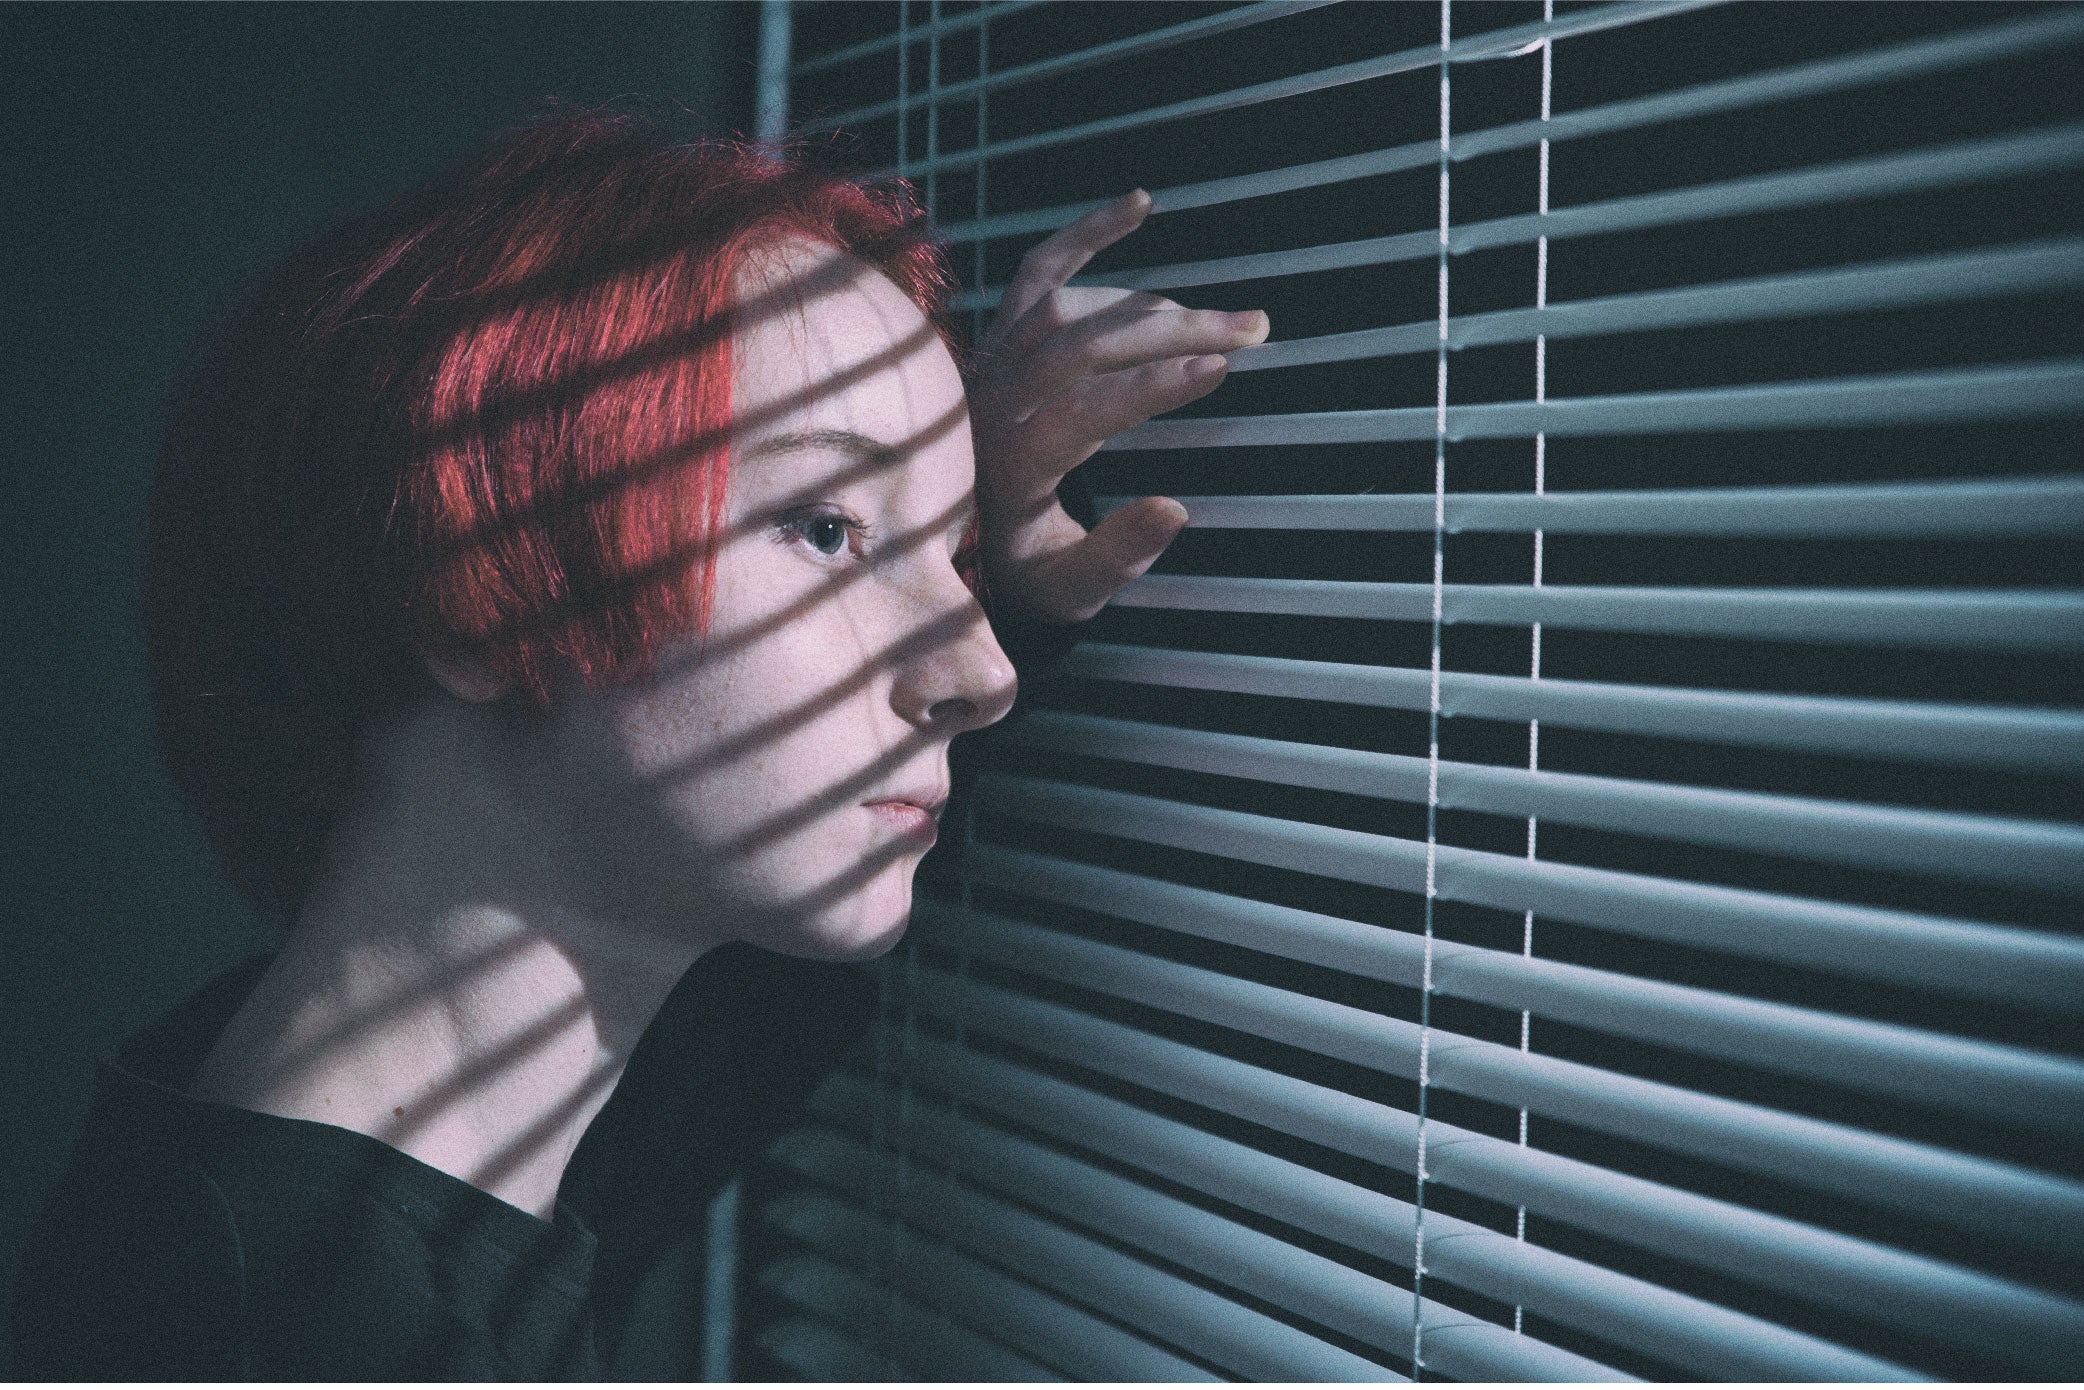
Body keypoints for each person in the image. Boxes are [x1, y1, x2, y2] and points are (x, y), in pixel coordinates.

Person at [9, 109, 1267, 1377]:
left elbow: (749, 1037)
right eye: (826, 529)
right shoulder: (292, 1325)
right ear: (474, 581)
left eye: (953, 560)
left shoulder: (368, 1142)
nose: (980, 670)